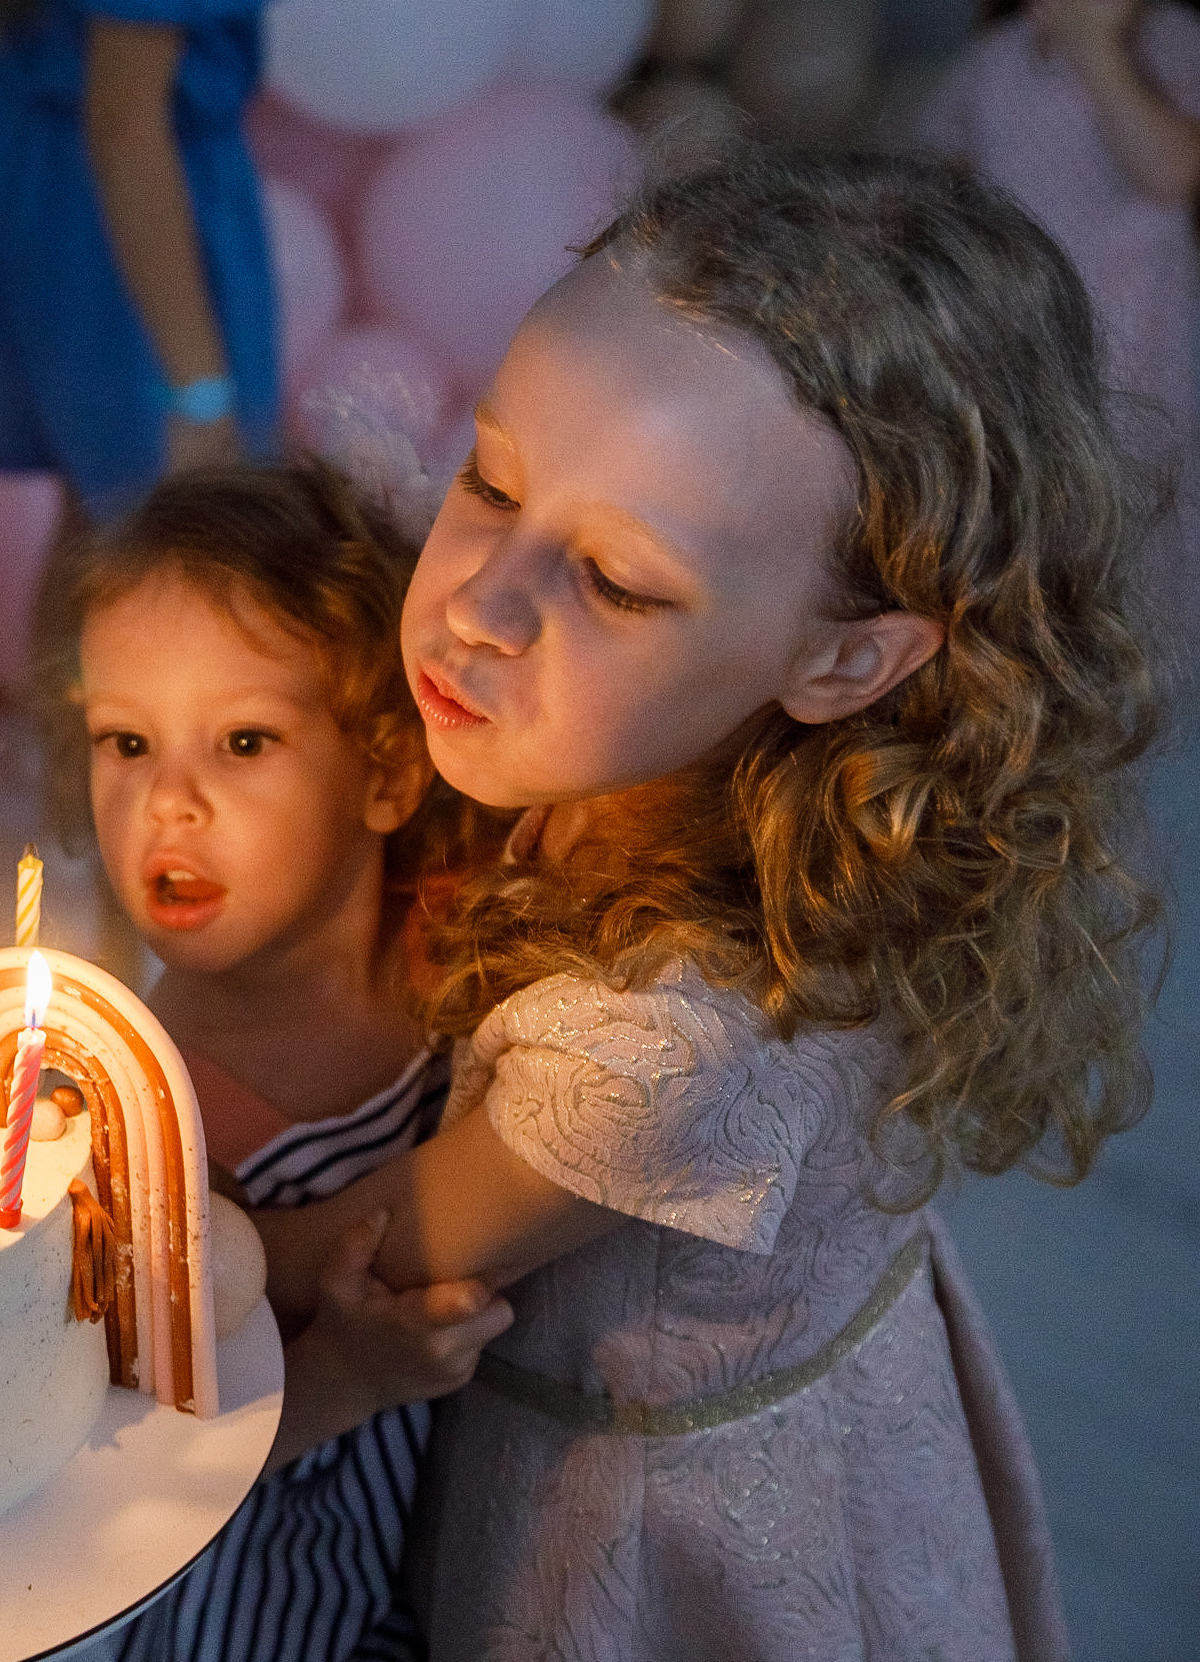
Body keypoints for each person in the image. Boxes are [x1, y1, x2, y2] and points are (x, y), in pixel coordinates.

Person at [257, 148, 1156, 1658]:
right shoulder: (638, 723)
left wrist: (81, 1166)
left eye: (613, 579)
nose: (478, 598)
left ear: (849, 660)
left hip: (647, 1533)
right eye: (489, 479)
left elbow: (331, 1259)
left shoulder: (665, 1059)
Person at [47, 458, 510, 1658]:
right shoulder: (143, 1107)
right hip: (221, 1617)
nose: (167, 802)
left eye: (242, 740)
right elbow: (127, 1451)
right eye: (126, 741)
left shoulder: (441, 943)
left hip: (385, 1581)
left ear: (389, 771)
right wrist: (344, 1384)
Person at [0, 0, 279, 519]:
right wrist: (198, 392)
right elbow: (127, 127)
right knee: (184, 533)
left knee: (94, 520)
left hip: (36, 154)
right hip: (125, 213)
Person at [917, 0, 1200, 569]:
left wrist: (1097, 48)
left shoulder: (1169, 38)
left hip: (1142, 327)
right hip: (1025, 324)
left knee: (1150, 514)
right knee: (1038, 508)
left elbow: (1171, 173)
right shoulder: (999, 55)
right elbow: (937, 177)